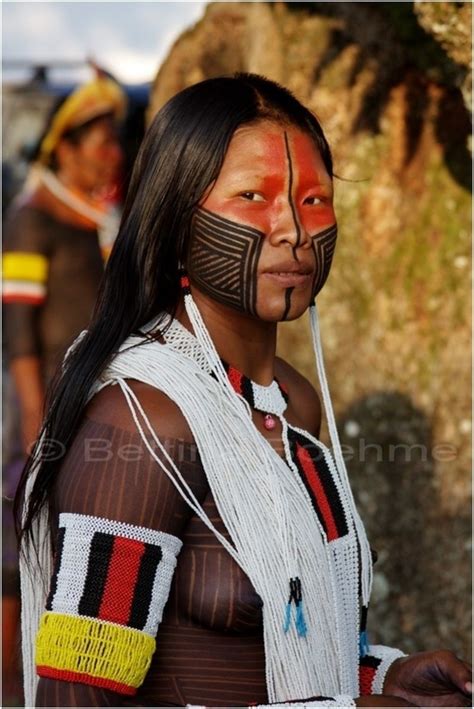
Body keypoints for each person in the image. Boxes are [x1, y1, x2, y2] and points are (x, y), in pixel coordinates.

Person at [15, 74, 471, 708]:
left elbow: (286, 642)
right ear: (177, 220)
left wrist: (380, 679)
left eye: (314, 200)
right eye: (254, 195)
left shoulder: (294, 403)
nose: (293, 230)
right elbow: (76, 698)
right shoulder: (145, 419)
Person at [2, 75, 125, 702]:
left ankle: (84, 677)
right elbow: (17, 326)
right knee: (31, 546)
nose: (113, 153)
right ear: (65, 148)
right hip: (46, 411)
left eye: (115, 142)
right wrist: (32, 413)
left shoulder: (106, 222)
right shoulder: (31, 220)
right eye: (101, 142)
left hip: (103, 409)